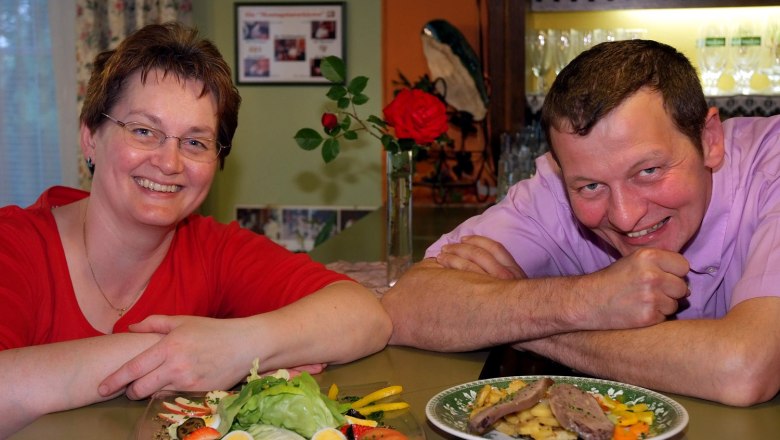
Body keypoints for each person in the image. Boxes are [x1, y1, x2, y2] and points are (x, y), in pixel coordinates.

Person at [0, 22, 391, 435]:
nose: (169, 163)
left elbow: (366, 317)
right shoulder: (16, 245)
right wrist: (183, 353)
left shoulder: (212, 248)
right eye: (144, 131)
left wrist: (238, 347)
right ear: (90, 137)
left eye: (195, 142)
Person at [381, 39, 780, 407]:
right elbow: (406, 306)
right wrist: (589, 299)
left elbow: (745, 369)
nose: (624, 216)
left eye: (649, 170)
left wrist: (532, 320)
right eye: (590, 186)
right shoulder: (558, 188)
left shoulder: (772, 164)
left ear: (709, 140)